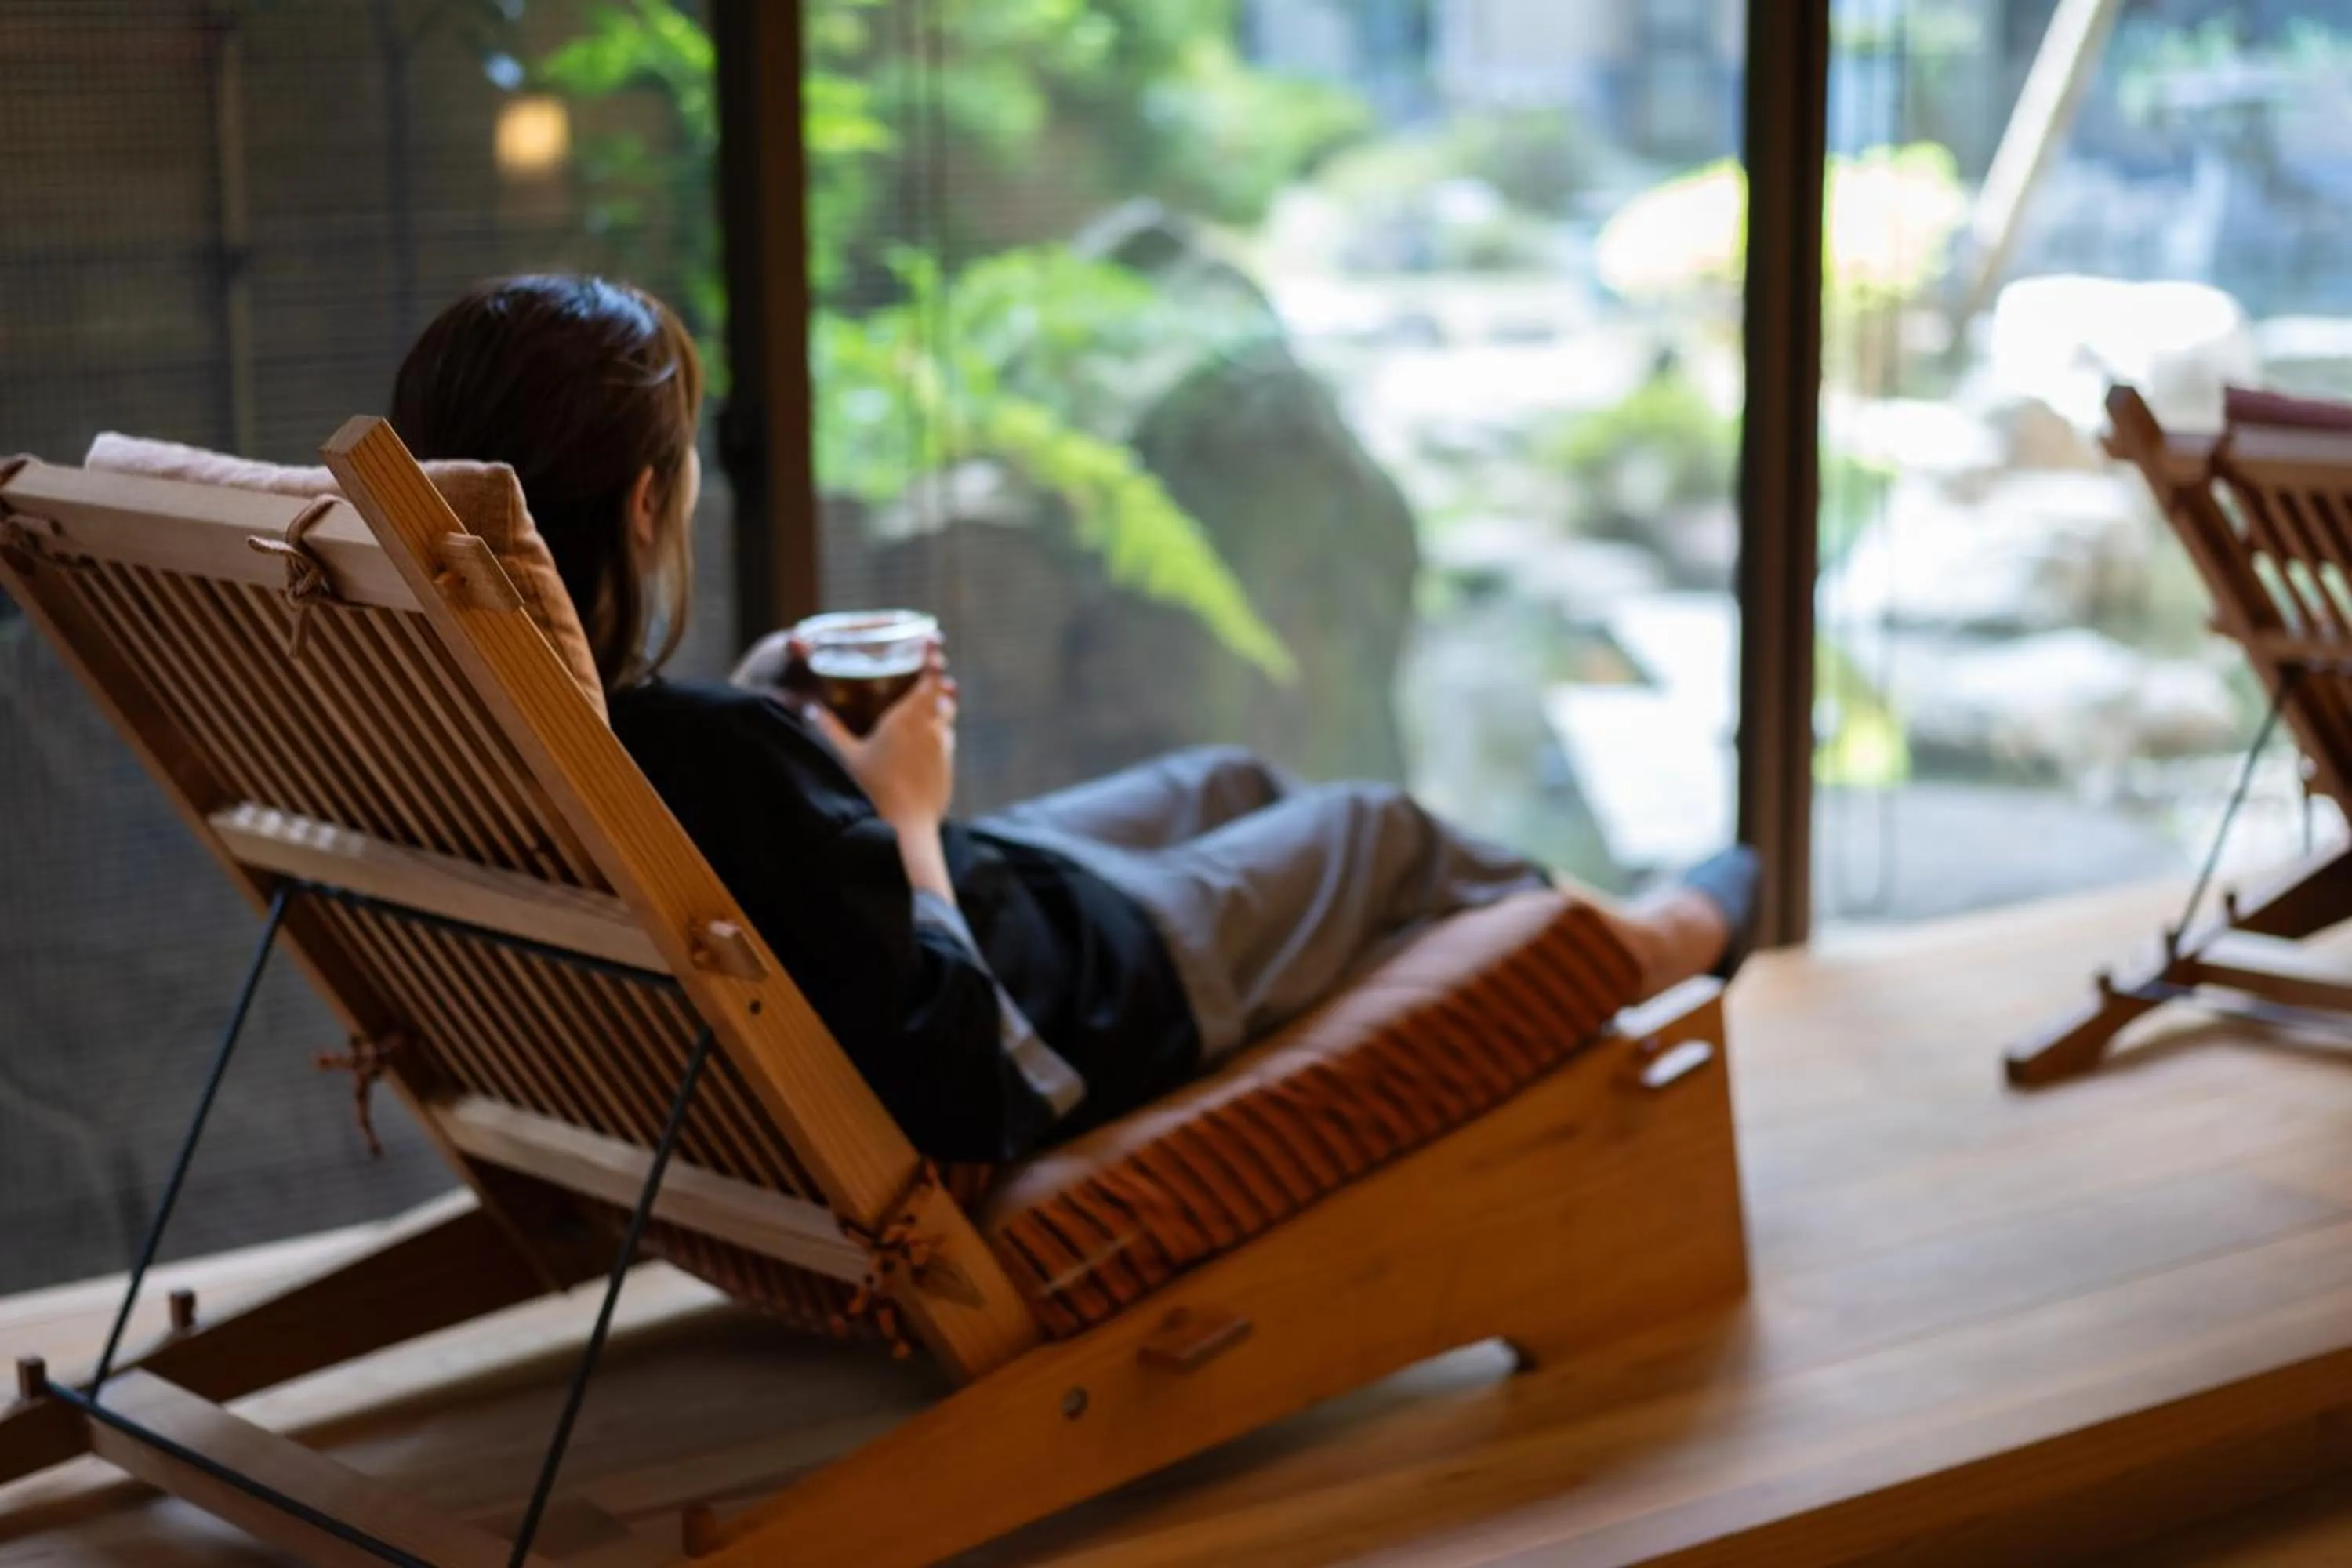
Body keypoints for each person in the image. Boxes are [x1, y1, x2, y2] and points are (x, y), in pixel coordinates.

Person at [391, 274, 1757, 1164]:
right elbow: (954, 1077)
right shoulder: (700, 758)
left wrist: (774, 727)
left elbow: (755, 865)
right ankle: (1634, 949)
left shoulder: (478, 738)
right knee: (1378, 832)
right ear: (644, 504)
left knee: (1229, 778)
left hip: (1009, 917)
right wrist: (909, 813)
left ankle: (1579, 928)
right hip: (1073, 1003)